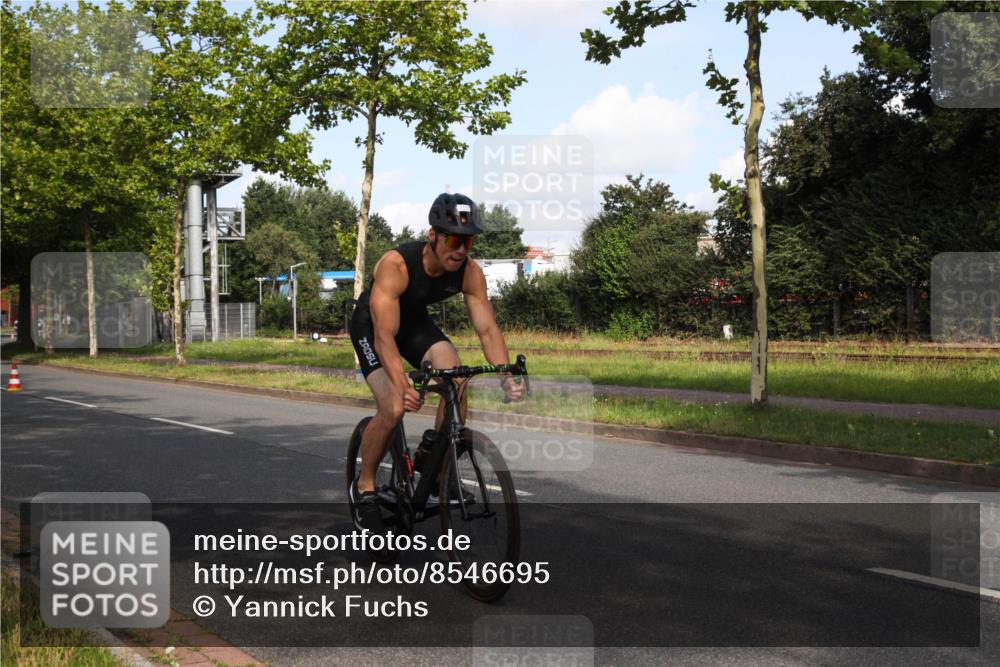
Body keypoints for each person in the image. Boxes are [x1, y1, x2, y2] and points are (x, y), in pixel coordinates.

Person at [349, 193, 525, 531]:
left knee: (456, 380)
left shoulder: (470, 273)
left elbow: (487, 329)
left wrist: (506, 376)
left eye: (468, 241)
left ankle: (434, 469)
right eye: (453, 240)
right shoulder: (396, 265)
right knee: (393, 407)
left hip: (413, 323)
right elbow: (385, 336)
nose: (460, 249)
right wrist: (402, 385)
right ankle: (366, 486)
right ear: (433, 236)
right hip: (373, 326)